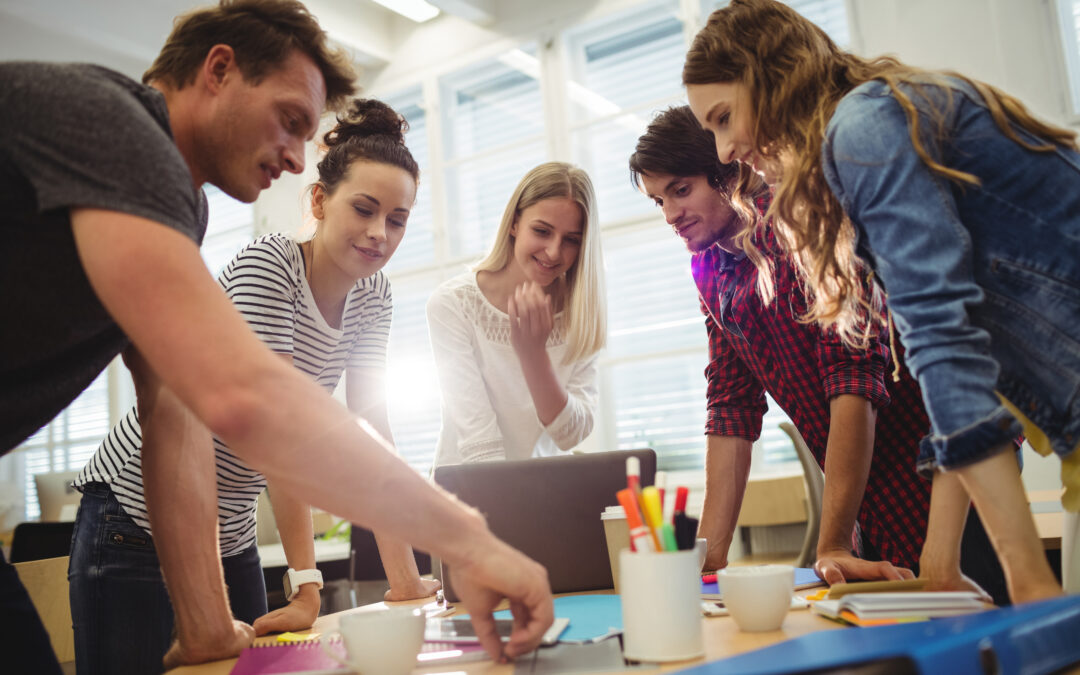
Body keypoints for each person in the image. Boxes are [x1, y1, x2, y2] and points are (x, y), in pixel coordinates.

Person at [0, 1, 551, 671]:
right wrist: (471, 539)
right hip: (124, 523)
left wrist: (205, 621)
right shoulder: (120, 131)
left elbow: (173, 406)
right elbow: (248, 399)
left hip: (220, 530)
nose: (295, 160)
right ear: (219, 70)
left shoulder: (176, 203)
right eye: (289, 122)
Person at [682, 0, 1078, 604]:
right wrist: (939, 559)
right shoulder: (870, 126)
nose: (726, 148)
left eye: (724, 117)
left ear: (770, 80)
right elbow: (968, 368)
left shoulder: (863, 132)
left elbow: (946, 349)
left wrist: (1028, 583)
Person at [68, 99, 441, 675]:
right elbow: (277, 429)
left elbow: (375, 429)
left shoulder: (375, 296)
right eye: (364, 209)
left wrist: (405, 578)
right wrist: (308, 582)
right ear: (318, 201)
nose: (378, 233)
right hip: (134, 519)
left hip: (230, 532)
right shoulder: (271, 267)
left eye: (396, 220)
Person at [628, 105, 1006, 601]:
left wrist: (829, 541)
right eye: (659, 201)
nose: (672, 214)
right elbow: (730, 407)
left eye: (682, 189)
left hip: (947, 475)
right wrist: (710, 561)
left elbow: (853, 380)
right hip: (867, 501)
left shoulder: (803, 226)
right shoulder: (710, 271)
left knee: (992, 640)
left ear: (728, 170)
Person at [427, 162, 606, 466]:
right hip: (466, 492)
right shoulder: (453, 304)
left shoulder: (581, 315)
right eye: (541, 231)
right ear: (514, 223)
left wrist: (534, 356)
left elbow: (571, 435)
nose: (553, 251)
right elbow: (479, 441)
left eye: (571, 240)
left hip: (538, 494)